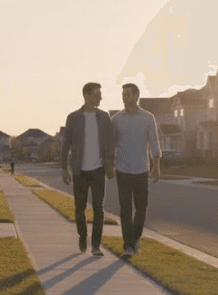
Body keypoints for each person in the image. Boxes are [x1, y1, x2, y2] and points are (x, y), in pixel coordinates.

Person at [60, 82, 115, 256]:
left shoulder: (104, 117)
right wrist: (64, 168)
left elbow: (111, 142)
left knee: (99, 208)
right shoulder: (73, 117)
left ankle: (96, 245)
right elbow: (65, 144)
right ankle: (82, 236)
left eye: (100, 94)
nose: (100, 98)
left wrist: (110, 163)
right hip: (80, 171)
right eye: (97, 94)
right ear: (87, 95)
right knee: (79, 208)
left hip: (98, 170)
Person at [112, 83, 161, 258]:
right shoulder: (116, 119)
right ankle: (127, 245)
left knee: (141, 207)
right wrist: (109, 164)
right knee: (125, 209)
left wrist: (156, 167)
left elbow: (154, 143)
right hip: (122, 170)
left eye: (128, 95)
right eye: (123, 95)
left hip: (142, 169)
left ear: (136, 96)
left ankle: (135, 238)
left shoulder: (148, 118)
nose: (125, 98)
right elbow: (111, 144)